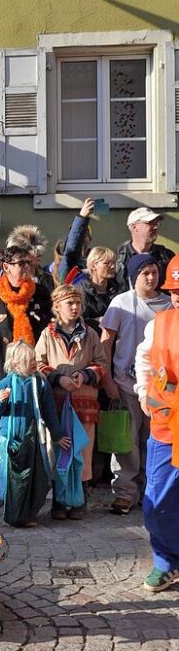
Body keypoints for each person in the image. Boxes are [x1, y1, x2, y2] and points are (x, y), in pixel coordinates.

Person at [100, 254, 171, 515]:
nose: (151, 277)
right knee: (126, 441)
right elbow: (106, 342)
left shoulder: (168, 305)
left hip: (160, 388)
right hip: (125, 383)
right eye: (145, 273)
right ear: (134, 276)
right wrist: (107, 379)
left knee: (153, 440)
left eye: (154, 272)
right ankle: (125, 491)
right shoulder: (122, 303)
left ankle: (152, 490)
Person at [35, 284, 107, 508]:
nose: (75, 307)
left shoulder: (90, 334)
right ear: (57, 306)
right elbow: (38, 364)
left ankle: (79, 500)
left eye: (78, 303)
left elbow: (102, 363)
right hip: (56, 402)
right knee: (57, 448)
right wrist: (58, 379)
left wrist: (85, 375)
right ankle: (59, 500)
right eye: (70, 303)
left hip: (84, 403)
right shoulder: (47, 334)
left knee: (83, 450)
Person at [0, 340, 70, 528]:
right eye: (29, 360)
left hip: (33, 442)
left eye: (34, 358)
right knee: (13, 482)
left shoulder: (40, 383)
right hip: (11, 441)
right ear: (15, 364)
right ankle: (15, 512)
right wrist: (0, 401)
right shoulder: (5, 384)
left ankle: (28, 513)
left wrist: (57, 435)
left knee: (34, 480)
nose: (34, 362)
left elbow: (49, 412)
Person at [134, 254, 179, 592]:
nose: (176, 297)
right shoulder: (160, 323)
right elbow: (145, 358)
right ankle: (166, 561)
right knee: (157, 502)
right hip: (166, 426)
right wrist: (141, 391)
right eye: (173, 291)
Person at [0, 243, 53, 385]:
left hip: (35, 368)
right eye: (21, 263)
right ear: (6, 267)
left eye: (28, 262)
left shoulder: (41, 294)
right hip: (1, 370)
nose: (27, 266)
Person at [115, 208, 173, 291]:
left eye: (156, 223)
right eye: (150, 223)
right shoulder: (118, 257)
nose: (155, 227)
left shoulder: (166, 256)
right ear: (134, 228)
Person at [80, 246, 119, 334]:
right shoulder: (80, 291)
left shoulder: (117, 290)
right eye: (107, 263)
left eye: (113, 263)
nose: (113, 266)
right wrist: (97, 320)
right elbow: (75, 321)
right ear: (94, 266)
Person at [8, 223, 52, 293]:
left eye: (39, 252)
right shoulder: (8, 282)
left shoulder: (49, 280)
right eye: (33, 251)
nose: (39, 254)